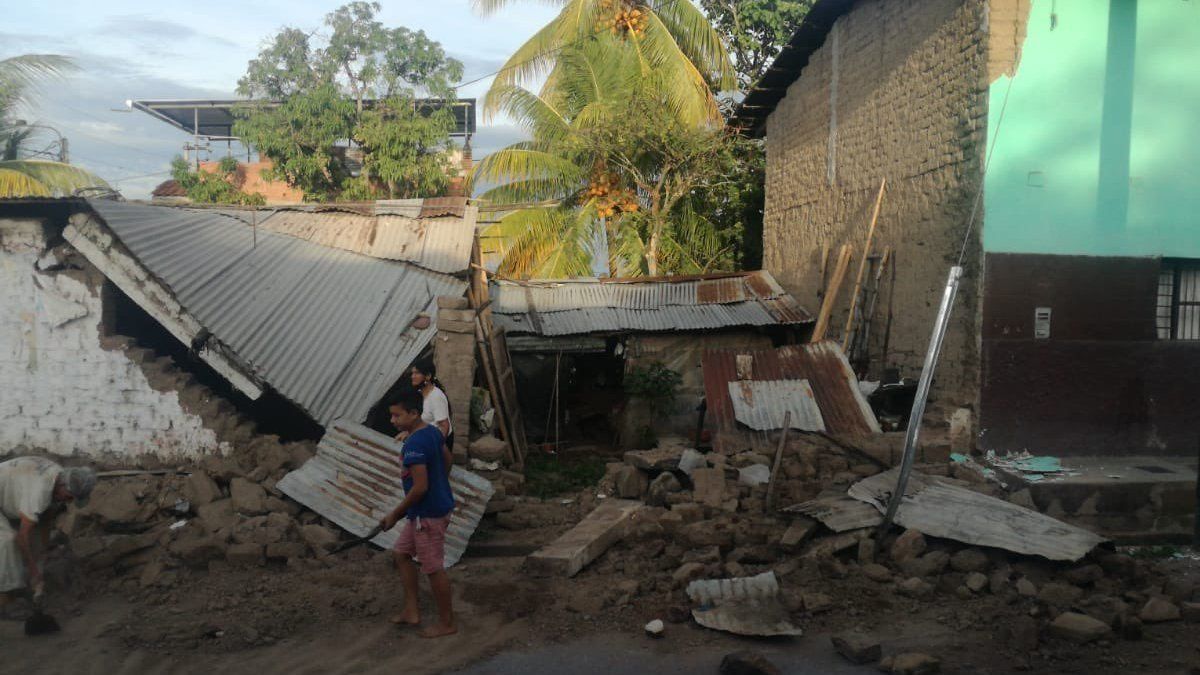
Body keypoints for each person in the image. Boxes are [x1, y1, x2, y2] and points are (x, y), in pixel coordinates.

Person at [379, 389, 457, 638]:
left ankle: (447, 624)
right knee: (401, 554)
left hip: (428, 515)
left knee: (433, 568)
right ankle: (412, 611)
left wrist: (394, 515)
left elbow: (420, 487)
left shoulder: (414, 443)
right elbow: (447, 459)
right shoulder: (432, 432)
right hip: (425, 511)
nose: (393, 421)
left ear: (414, 414)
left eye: (396, 416)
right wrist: (440, 482)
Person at [1, 457, 95, 600]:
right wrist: (34, 572)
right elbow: (22, 537)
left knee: (27, 541)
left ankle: (20, 581)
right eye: (69, 497)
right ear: (62, 486)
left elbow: (45, 521)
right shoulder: (40, 492)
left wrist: (41, 556)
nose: (70, 501)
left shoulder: (60, 477)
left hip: (6, 494)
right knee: (7, 540)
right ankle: (6, 594)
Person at [409, 360, 454, 459]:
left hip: (439, 441)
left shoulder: (436, 396)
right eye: (412, 373)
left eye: (417, 373)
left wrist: (434, 448)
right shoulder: (419, 393)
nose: (412, 376)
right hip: (426, 437)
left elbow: (444, 426)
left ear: (428, 376)